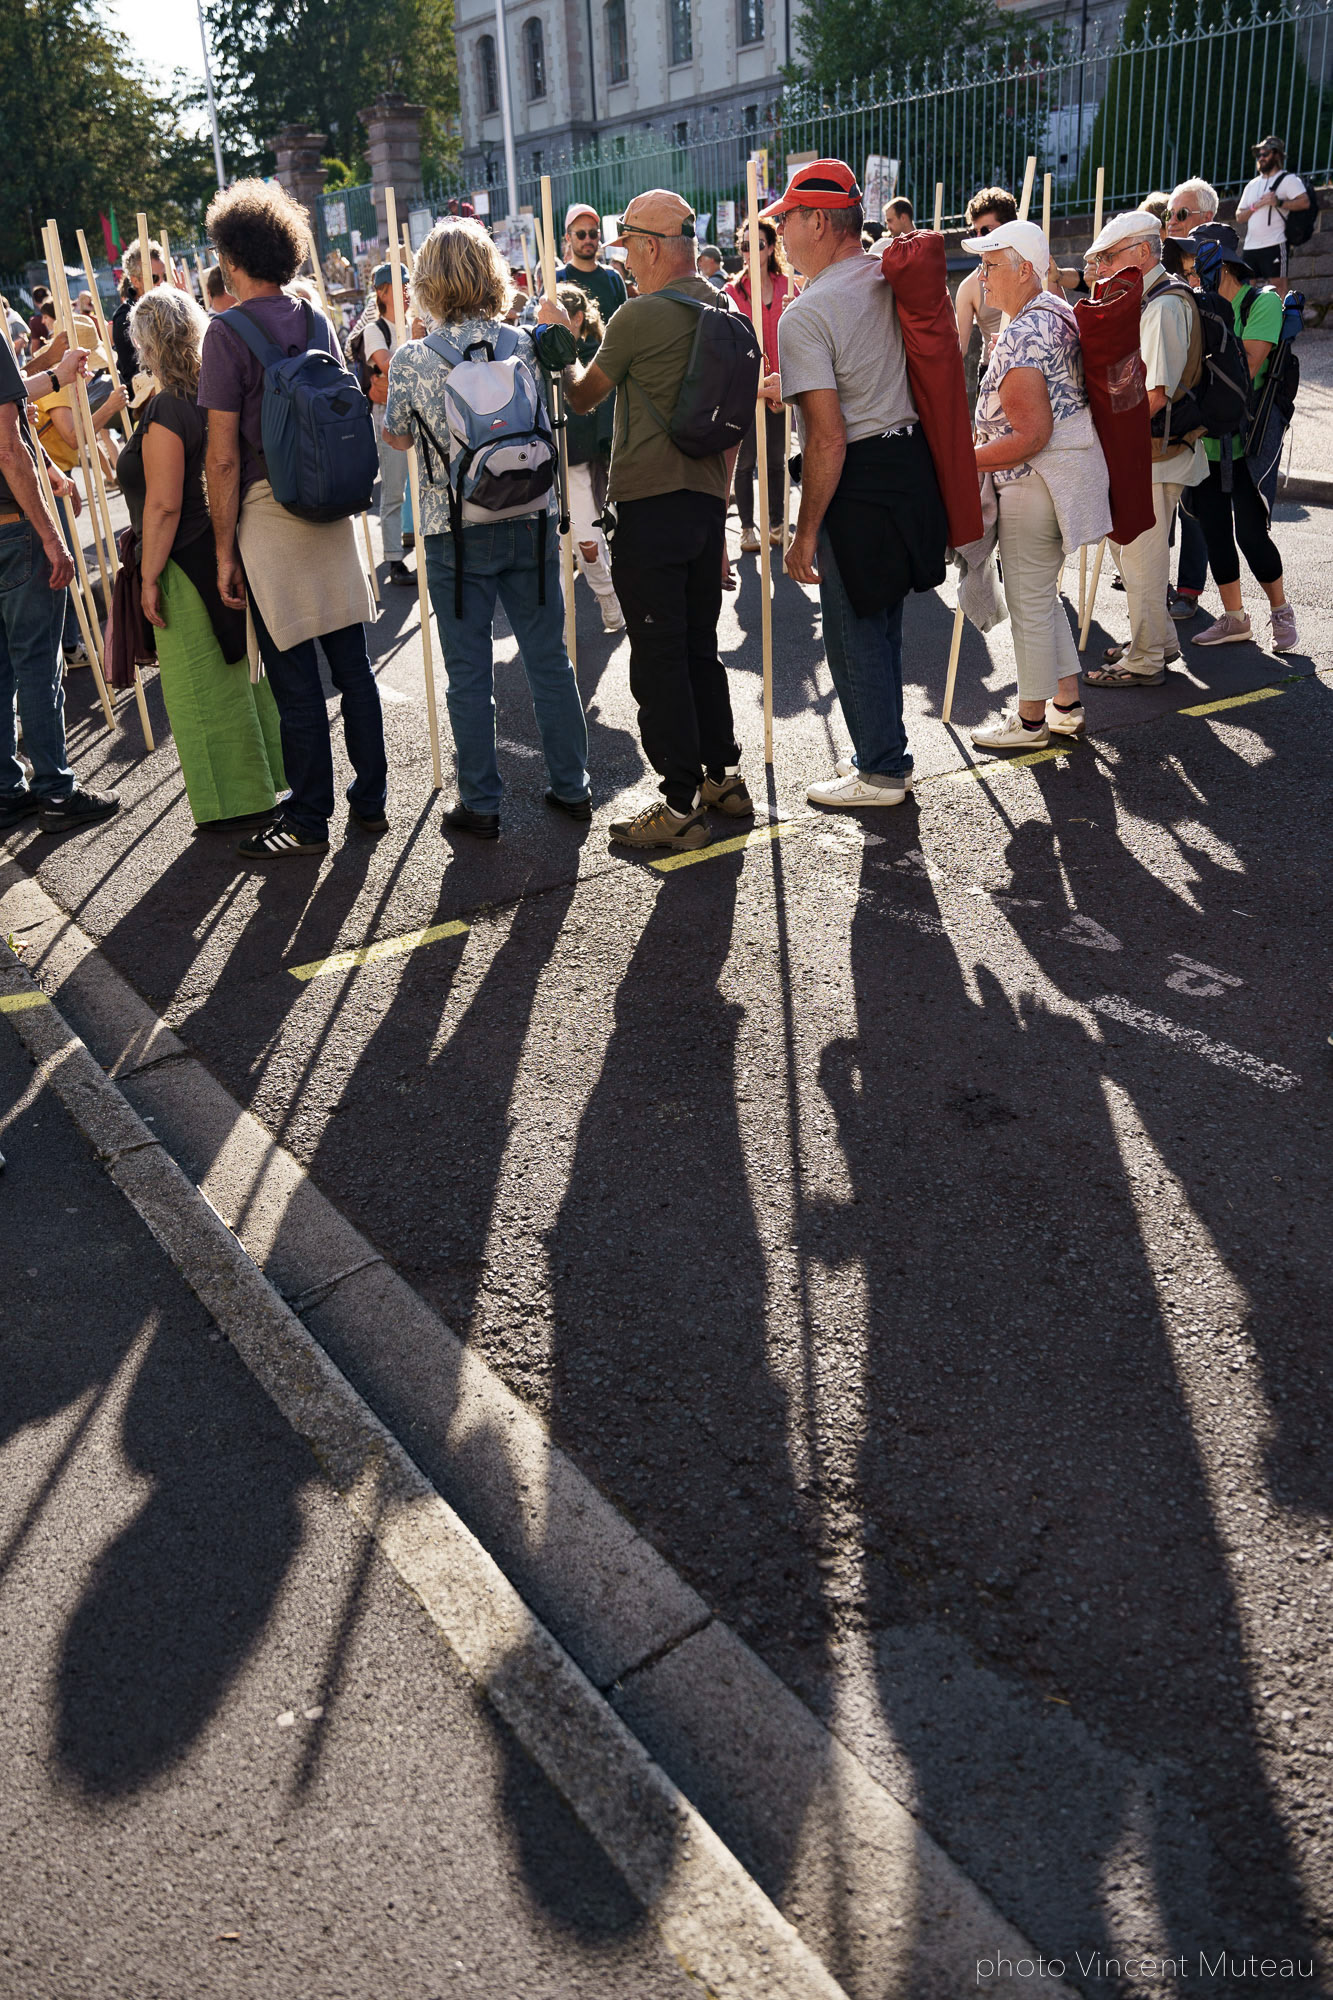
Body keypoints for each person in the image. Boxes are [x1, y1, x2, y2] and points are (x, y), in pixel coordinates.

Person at [382, 219, 590, 839]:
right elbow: (568, 388)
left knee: (468, 673)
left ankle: (481, 802)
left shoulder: (413, 357)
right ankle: (572, 786)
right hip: (530, 515)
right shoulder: (525, 343)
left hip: (455, 529)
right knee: (549, 659)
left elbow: (395, 435)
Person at [560, 187, 753, 851]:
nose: (624, 264)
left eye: (627, 251)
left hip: (649, 503)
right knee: (700, 646)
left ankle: (677, 804)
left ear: (647, 246)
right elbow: (731, 434)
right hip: (705, 502)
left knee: (658, 657)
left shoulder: (638, 317)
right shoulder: (724, 309)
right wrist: (725, 511)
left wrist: (564, 352)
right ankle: (721, 776)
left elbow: (585, 398)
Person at [198, 177, 386, 859]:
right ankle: (371, 801)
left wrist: (225, 551)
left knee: (295, 679)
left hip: (268, 512)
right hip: (328, 507)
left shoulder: (224, 334)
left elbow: (221, 457)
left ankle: (309, 820)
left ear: (232, 257)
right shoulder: (316, 320)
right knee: (353, 665)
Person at [768, 157, 947, 809]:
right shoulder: (886, 277)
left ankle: (879, 771)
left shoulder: (805, 313)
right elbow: (869, 368)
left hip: (859, 474)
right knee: (883, 623)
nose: (779, 236)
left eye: (785, 220)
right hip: (908, 464)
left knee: (853, 630)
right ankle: (882, 755)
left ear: (818, 220)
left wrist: (801, 533)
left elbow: (826, 437)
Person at [118, 286, 285, 828]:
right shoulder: (206, 393)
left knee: (200, 685)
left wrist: (147, 577)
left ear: (147, 342)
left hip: (180, 559)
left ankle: (232, 802)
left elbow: (163, 505)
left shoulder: (169, 404)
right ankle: (264, 784)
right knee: (239, 676)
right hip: (219, 543)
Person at [963, 220, 1111, 749]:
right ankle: (1066, 704)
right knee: (1041, 600)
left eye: (991, 264)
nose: (982, 275)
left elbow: (1030, 435)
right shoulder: (1053, 312)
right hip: (1052, 480)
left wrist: (964, 461)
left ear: (1025, 269)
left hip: (1032, 482)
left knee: (1028, 603)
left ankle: (1029, 721)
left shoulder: (1026, 330)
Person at [1080, 209, 1208, 690]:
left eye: (1111, 255)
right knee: (1130, 554)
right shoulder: (1149, 299)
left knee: (1140, 559)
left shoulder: (1162, 304)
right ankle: (1158, 640)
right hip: (1145, 453)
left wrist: (1104, 428)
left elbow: (1154, 394)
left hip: (1154, 454)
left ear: (1139, 251)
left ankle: (1147, 657)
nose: (1105, 265)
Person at [0, 331, 119, 833]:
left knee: (6, 668)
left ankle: (7, 789)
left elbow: (13, 422)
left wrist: (47, 467)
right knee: (36, 664)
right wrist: (51, 536)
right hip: (13, 530)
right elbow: (7, 446)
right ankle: (54, 789)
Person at [1176, 224, 1298, 653]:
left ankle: (1280, 610)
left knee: (1250, 533)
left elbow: (1245, 363)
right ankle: (1234, 618)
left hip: (1247, 441)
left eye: (1194, 261)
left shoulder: (1261, 302)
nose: (1188, 271)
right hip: (1207, 439)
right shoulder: (1197, 304)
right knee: (1214, 532)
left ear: (1219, 261)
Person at [1162, 178, 1220, 622]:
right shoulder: (1172, 269)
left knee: (1196, 507)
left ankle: (1189, 591)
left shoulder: (1224, 267)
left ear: (1206, 218)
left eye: (1179, 215)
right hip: (1176, 403)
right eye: (1169, 215)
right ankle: (1158, 587)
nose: (1171, 223)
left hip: (1207, 411)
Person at [557, 282, 624, 632]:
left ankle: (607, 594)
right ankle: (561, 622)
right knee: (554, 547)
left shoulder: (598, 351)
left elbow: (597, 406)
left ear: (578, 318)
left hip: (582, 460)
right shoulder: (545, 352)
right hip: (550, 459)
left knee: (586, 537)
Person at [726, 215, 793, 553]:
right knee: (747, 460)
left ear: (770, 249)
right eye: (746, 245)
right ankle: (748, 528)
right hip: (748, 390)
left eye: (759, 245)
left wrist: (796, 309)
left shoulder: (788, 285)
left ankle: (779, 524)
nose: (752, 251)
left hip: (783, 386)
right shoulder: (731, 291)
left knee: (778, 460)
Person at [354, 261, 414, 585]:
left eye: (407, 283)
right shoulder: (375, 329)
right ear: (381, 292)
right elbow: (389, 365)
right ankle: (394, 558)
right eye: (398, 284)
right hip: (389, 418)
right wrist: (418, 346)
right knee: (394, 487)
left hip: (420, 416)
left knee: (427, 485)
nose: (406, 290)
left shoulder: (417, 323)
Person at [955, 187, 1017, 372]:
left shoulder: (1034, 268)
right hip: (992, 371)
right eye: (975, 232)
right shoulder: (970, 286)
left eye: (986, 230)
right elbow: (959, 350)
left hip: (1034, 368)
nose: (979, 238)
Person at [1236, 135, 1309, 283]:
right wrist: (1254, 206)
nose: (1260, 158)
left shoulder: (1289, 179)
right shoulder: (1252, 184)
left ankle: (1280, 308)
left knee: (1278, 288)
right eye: (1259, 154)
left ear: (1277, 155)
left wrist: (1278, 202)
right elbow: (1239, 216)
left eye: (1265, 154)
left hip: (1275, 243)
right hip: (1250, 246)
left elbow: (1305, 202)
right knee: (1245, 290)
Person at [557, 204, 627, 328]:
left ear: (599, 236)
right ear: (568, 237)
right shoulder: (557, 278)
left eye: (593, 233)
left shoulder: (613, 278)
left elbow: (625, 325)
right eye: (581, 234)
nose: (588, 239)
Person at [111, 237, 167, 388]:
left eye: (165, 276)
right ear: (135, 281)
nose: (162, 283)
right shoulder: (124, 318)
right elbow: (134, 373)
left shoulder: (171, 305)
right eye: (155, 278)